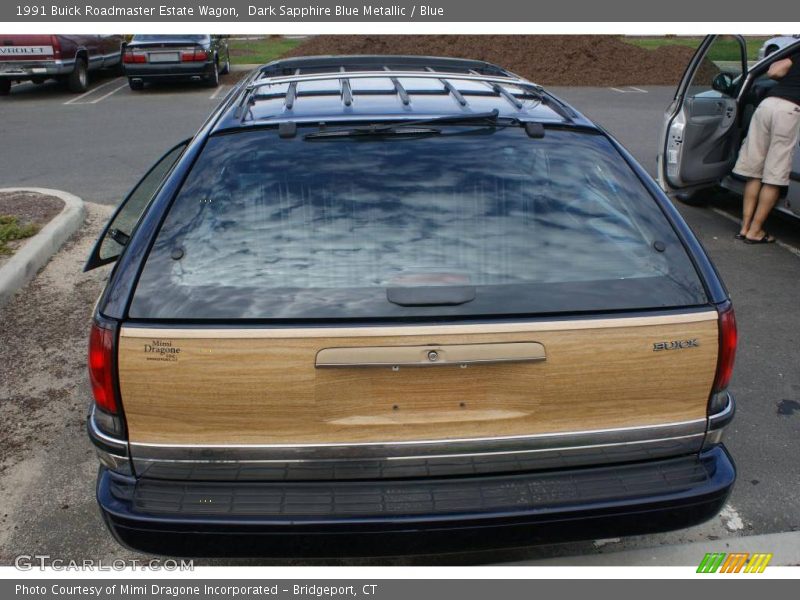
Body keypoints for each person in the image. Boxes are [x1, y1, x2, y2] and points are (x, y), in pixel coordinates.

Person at [733, 50, 800, 244]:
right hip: (790, 111)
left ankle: (744, 228)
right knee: (774, 175)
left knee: (755, 172)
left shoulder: (796, 52)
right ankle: (755, 231)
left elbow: (773, 72)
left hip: (767, 105)